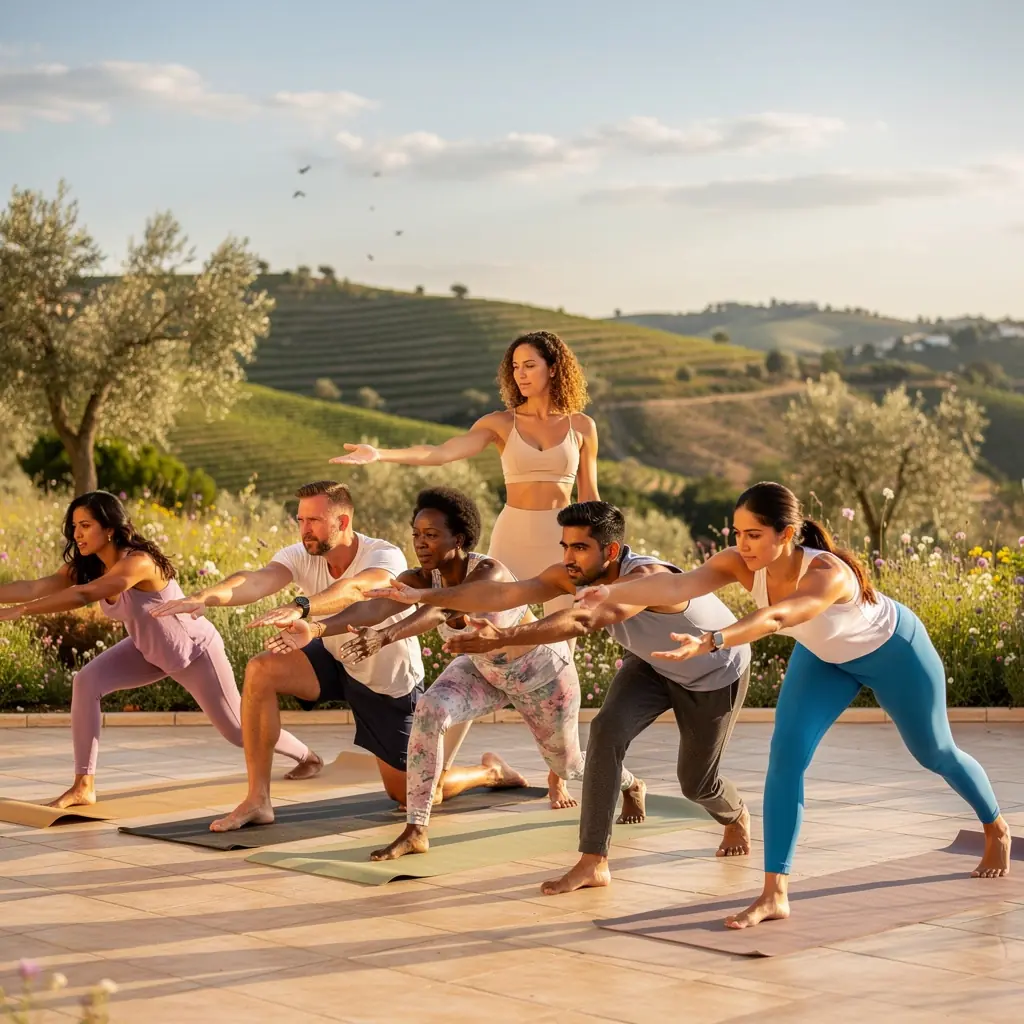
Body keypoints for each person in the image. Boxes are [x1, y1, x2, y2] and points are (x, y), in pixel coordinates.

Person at [586, 481, 1011, 929]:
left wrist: (713, 640)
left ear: (786, 534)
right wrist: (607, 593)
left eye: (754, 534)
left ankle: (995, 825)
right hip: (824, 658)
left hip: (893, 653)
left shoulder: (828, 572)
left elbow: (778, 617)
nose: (741, 544)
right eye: (736, 533)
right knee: (785, 760)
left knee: (935, 753)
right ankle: (775, 893)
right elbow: (678, 585)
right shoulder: (738, 562)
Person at [373, 500, 752, 889]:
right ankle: (594, 861)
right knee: (605, 732)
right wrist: (422, 596)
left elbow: (583, 619)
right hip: (652, 664)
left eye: (580, 548)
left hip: (713, 672)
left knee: (696, 783)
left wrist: (502, 636)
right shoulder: (572, 573)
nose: (569, 557)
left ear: (612, 551)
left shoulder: (645, 579)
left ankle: (735, 814)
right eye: (565, 546)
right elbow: (506, 596)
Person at [273, 486, 634, 862]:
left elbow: (445, 609)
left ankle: (629, 783)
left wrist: (387, 635)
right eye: (416, 535)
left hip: (540, 674)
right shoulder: (419, 578)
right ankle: (416, 830)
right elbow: (373, 607)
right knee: (429, 712)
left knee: (569, 765)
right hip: (481, 668)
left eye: (431, 535)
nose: (420, 543)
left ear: (458, 538)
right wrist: (316, 628)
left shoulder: (488, 571)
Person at [153, 480, 487, 832]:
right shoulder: (300, 554)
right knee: (261, 669)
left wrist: (302, 607)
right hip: (333, 658)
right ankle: (257, 800)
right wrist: (204, 596)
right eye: (300, 520)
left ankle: (488, 772)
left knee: (409, 794)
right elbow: (255, 580)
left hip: (385, 680)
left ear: (342, 523)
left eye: (312, 520)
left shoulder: (384, 555)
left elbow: (356, 590)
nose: (304, 529)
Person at [0, 491, 315, 809]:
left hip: (193, 653)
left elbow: (85, 596)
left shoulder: (138, 563)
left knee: (238, 731)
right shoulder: (89, 565)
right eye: (74, 526)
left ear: (109, 528)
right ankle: (84, 786)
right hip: (146, 650)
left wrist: (23, 611)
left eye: (85, 525)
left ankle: (307, 756)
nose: (77, 533)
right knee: (86, 681)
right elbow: (35, 587)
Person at [328, 330, 599, 617]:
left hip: (563, 540)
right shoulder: (500, 423)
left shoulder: (582, 427)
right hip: (513, 537)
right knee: (494, 623)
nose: (521, 374)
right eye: (515, 367)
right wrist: (380, 454)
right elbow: (442, 453)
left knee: (564, 629)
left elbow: (590, 497)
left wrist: (602, 546)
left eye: (530, 365)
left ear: (554, 368)